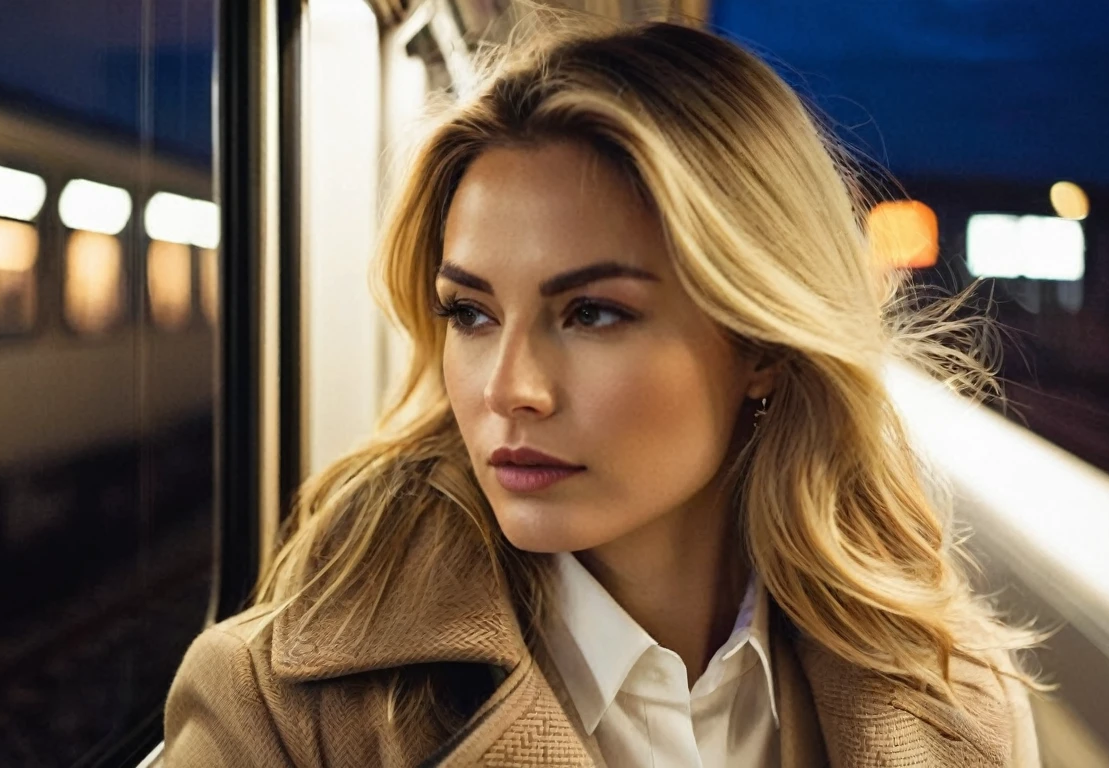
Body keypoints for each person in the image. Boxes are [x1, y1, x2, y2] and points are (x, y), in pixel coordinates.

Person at [164, 10, 1042, 766]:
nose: (511, 390)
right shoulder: (278, 714)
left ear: (762, 344)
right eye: (470, 313)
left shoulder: (957, 699)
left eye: (590, 313)